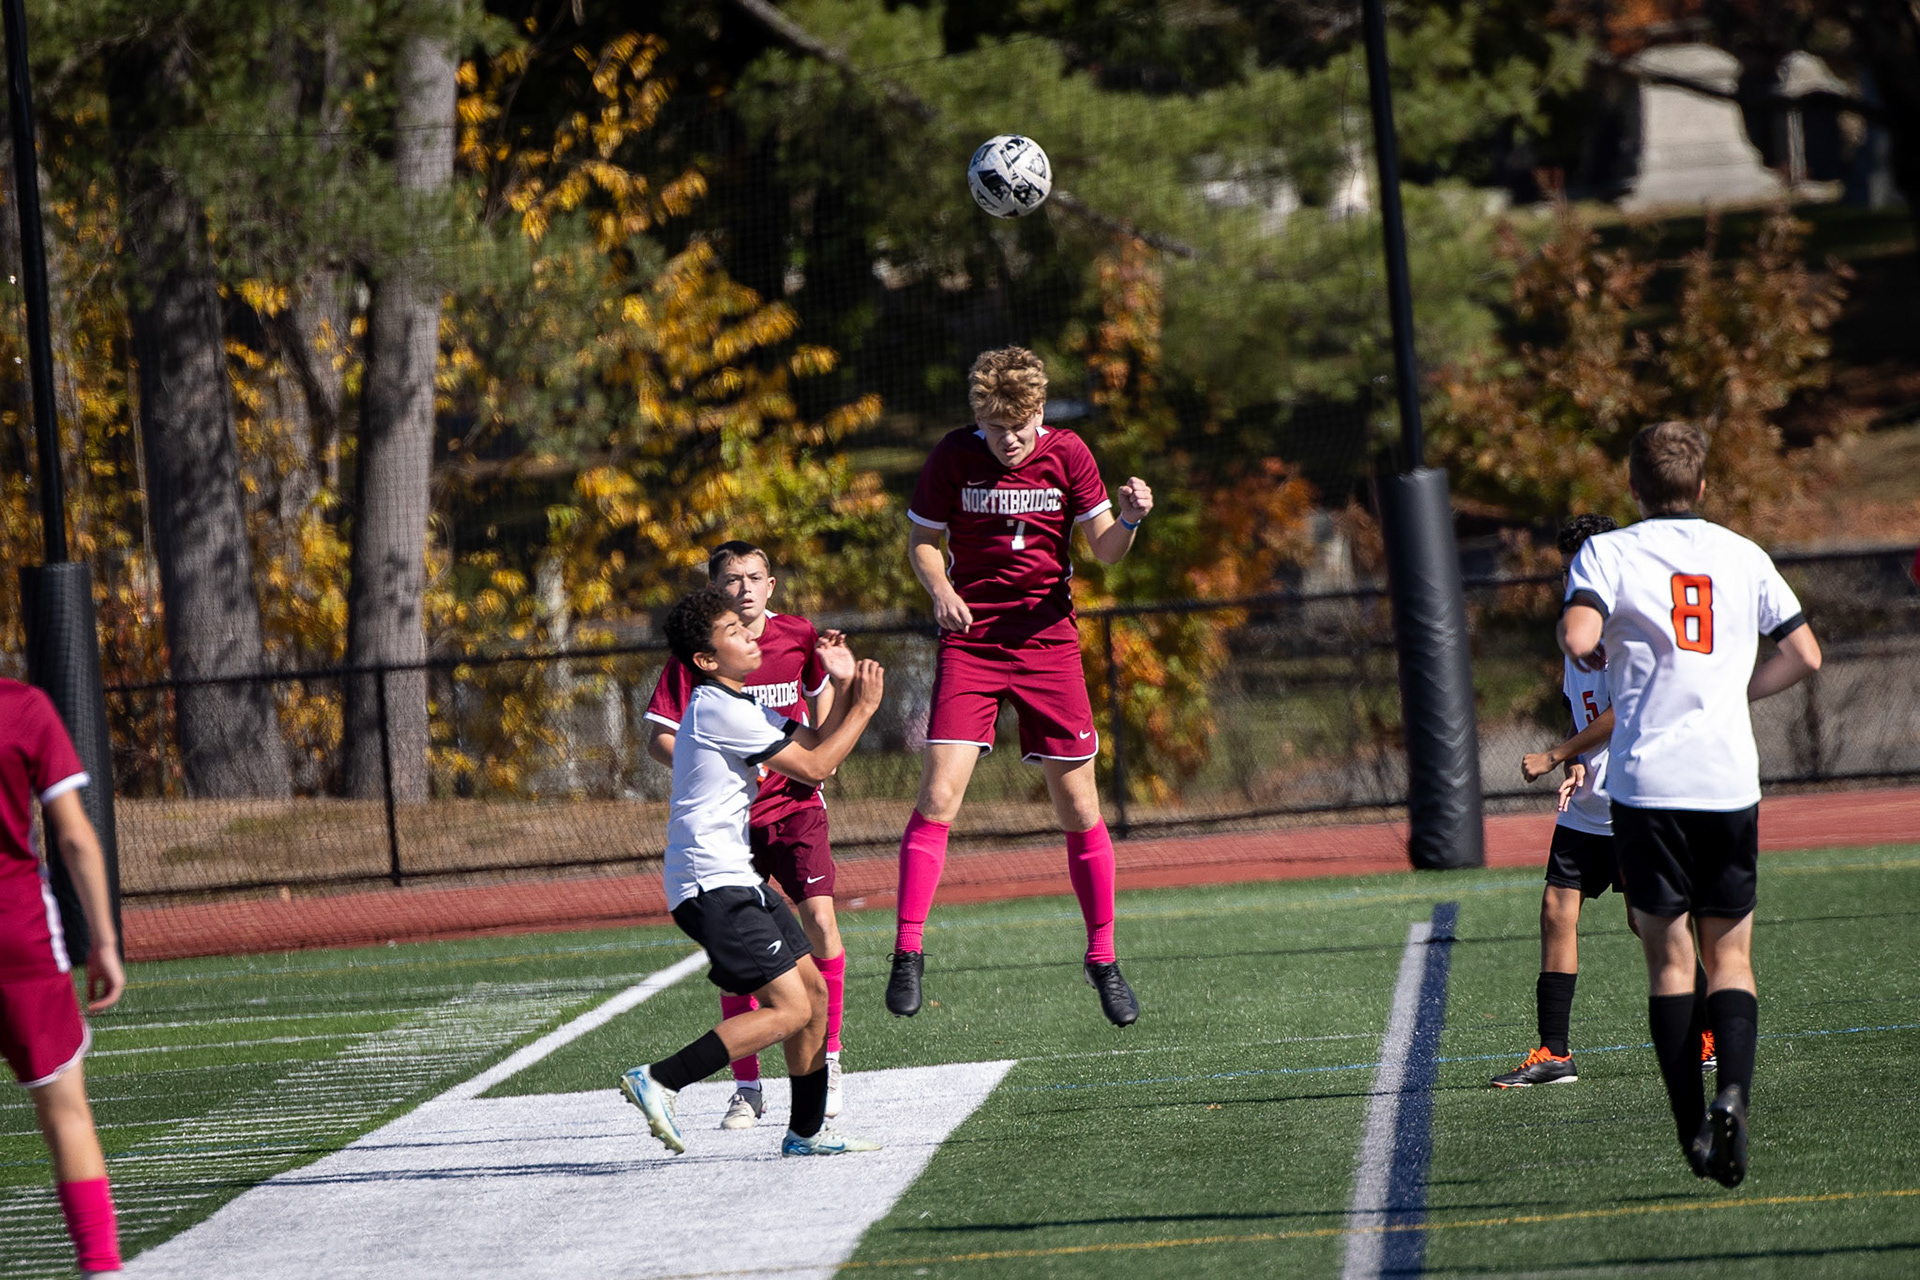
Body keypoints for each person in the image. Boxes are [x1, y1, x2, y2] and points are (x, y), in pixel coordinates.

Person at [1558, 421, 1822, 1187]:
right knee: (1731, 956)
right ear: (1702, 486)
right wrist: (1735, 691)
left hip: (1648, 786)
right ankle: (1733, 1093)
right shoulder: (1744, 554)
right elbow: (1804, 654)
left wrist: (1594, 641)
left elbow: (1578, 637)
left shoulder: (1609, 553)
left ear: (1633, 488)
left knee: (1670, 962)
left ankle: (1691, 1132)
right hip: (1728, 780)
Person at [887, 346, 1153, 1027]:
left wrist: (1128, 518)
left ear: (1040, 412)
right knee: (938, 795)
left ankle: (1102, 957)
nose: (1009, 440)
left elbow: (1105, 550)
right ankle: (908, 949)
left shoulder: (1069, 453)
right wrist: (941, 590)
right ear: (978, 418)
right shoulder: (953, 455)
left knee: (1079, 805)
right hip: (971, 640)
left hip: (1047, 642)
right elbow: (922, 541)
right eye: (996, 427)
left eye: (1020, 426)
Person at [622, 586, 885, 1157]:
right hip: (710, 884)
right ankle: (660, 1079)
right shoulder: (720, 709)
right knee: (789, 1008)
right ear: (706, 659)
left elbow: (815, 741)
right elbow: (817, 767)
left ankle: (805, 1133)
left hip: (735, 878)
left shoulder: (739, 706)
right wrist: (865, 707)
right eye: (734, 633)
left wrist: (841, 687)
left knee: (813, 992)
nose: (749, 634)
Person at [1493, 514, 1720, 1087]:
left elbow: (1625, 711)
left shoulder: (1630, 625)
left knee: (1648, 921)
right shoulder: (1575, 629)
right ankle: (1555, 1053)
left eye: (1580, 568)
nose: (1572, 579)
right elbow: (1581, 706)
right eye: (1567, 569)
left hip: (1636, 797)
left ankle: (1707, 1031)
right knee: (1556, 908)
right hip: (1589, 801)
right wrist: (1576, 760)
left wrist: (1554, 754)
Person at [1, 678, 127, 1275]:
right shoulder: (23, 708)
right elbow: (74, 836)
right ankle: (100, 1267)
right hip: (18, 934)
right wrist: (104, 942)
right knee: (66, 1114)